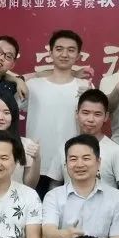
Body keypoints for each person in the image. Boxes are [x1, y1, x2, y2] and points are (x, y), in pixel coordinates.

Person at [24, 29, 92, 196]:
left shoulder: (85, 87)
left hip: (72, 162)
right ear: (50, 53)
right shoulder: (33, 85)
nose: (64, 54)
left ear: (78, 55)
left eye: (71, 50)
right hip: (36, 163)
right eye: (59, 49)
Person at [46, 89, 119, 190]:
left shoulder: (116, 151)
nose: (90, 119)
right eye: (85, 113)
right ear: (77, 113)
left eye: (97, 114)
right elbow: (54, 185)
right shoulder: (64, 148)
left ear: (106, 116)